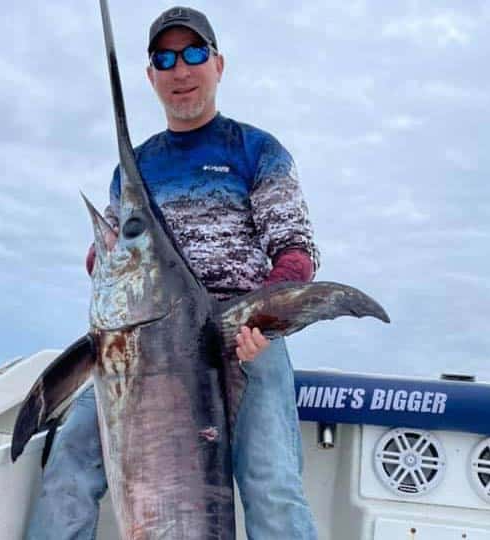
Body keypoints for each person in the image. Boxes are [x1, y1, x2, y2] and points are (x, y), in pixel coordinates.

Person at [27, 6, 320, 539]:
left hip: (244, 336)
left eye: (193, 54)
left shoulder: (256, 150)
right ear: (150, 75)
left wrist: (265, 320)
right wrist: (106, 257)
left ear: (218, 64)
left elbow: (296, 253)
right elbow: (111, 254)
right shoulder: (133, 168)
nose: (180, 70)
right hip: (139, 346)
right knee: (69, 463)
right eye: (165, 58)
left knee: (272, 485)